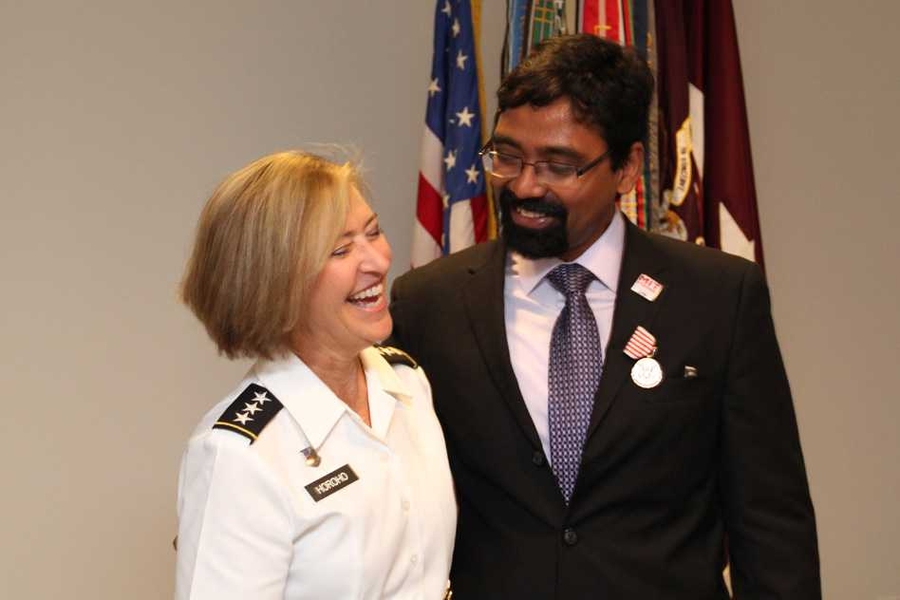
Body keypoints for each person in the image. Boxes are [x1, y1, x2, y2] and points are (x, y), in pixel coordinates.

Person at [389, 34, 820, 598]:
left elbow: (771, 522)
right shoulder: (428, 303)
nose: (524, 185)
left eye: (558, 166)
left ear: (627, 168)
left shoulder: (717, 297)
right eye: (508, 156)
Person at [175, 150, 455, 599]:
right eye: (342, 249)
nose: (379, 262)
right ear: (275, 283)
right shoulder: (237, 453)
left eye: (374, 232)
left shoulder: (407, 383)